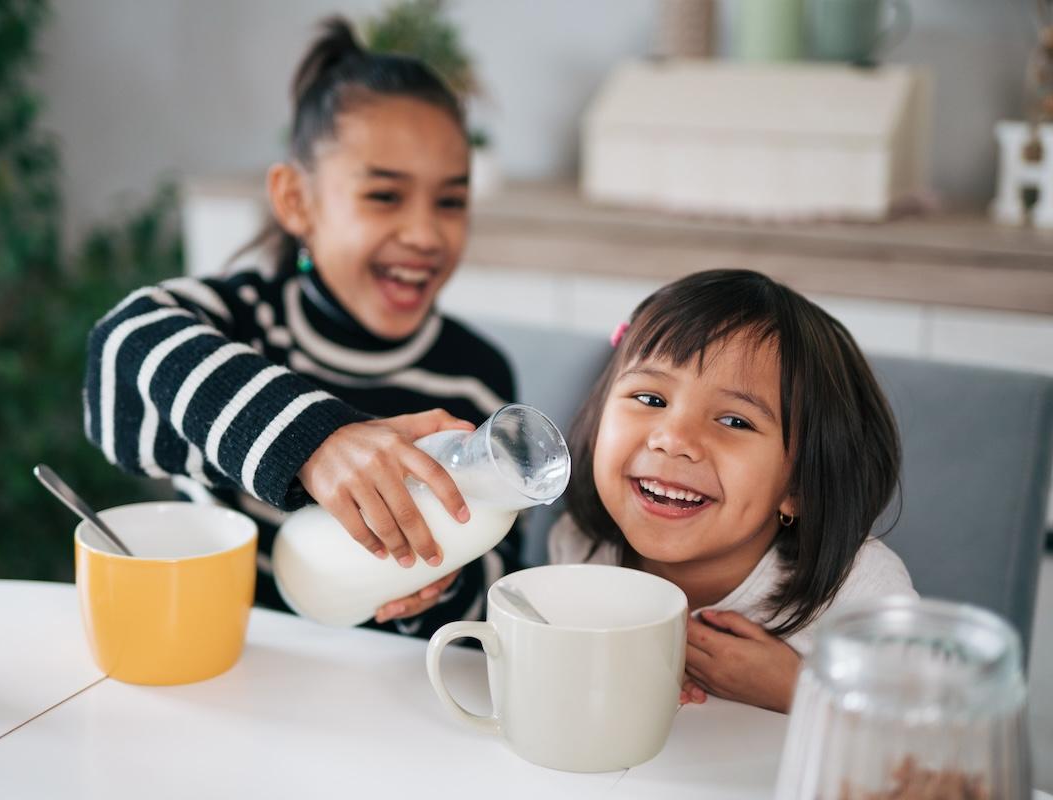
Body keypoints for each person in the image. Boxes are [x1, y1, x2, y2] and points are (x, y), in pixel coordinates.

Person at [83, 17, 518, 637]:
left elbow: (501, 590)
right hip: (226, 655)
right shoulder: (245, 326)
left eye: (450, 201)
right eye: (384, 197)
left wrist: (443, 588)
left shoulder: (476, 380)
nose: (424, 234)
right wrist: (315, 442)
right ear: (295, 201)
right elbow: (122, 344)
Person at [549, 269, 916, 713]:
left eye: (734, 421)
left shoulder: (859, 594)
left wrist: (799, 690)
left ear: (798, 486)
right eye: (650, 399)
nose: (673, 438)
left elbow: (925, 747)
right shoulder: (580, 549)